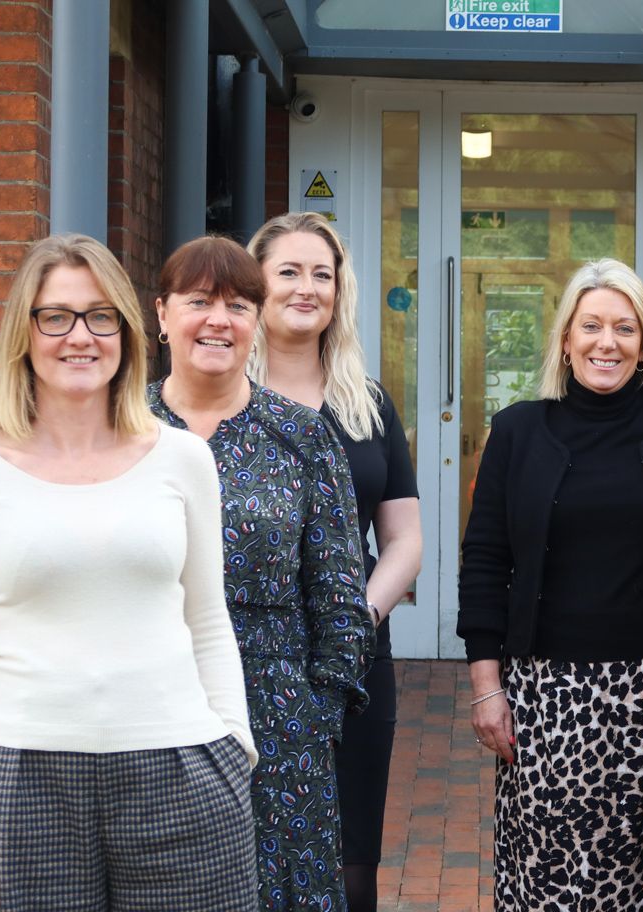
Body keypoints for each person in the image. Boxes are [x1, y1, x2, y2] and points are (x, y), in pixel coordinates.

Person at [0, 235, 256, 912]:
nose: (79, 336)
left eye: (100, 315)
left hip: (182, 769)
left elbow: (207, 619)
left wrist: (236, 750)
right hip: (27, 786)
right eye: (56, 316)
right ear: (24, 330)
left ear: (127, 330)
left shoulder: (182, 460)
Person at [458, 258, 643, 911]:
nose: (608, 342)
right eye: (592, 326)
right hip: (547, 699)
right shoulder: (519, 431)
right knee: (554, 881)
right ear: (567, 340)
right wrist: (486, 689)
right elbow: (485, 559)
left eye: (625, 329)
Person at [148, 235, 373, 912]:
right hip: (151, 706)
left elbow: (339, 593)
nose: (219, 319)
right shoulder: (124, 429)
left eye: (239, 305)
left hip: (278, 715)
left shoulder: (301, 437)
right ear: (162, 315)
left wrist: (317, 714)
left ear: (256, 322)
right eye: (198, 302)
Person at [248, 212, 422, 912]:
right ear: (254, 286)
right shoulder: (220, 401)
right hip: (247, 656)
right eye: (288, 271)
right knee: (253, 857)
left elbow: (405, 538)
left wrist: (358, 618)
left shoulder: (367, 403)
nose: (307, 287)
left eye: (323, 274)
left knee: (353, 865)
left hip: (354, 660)